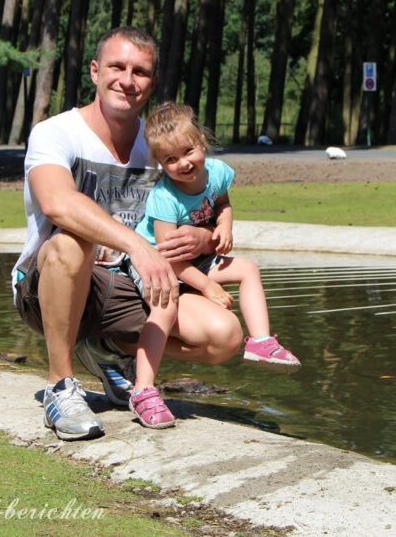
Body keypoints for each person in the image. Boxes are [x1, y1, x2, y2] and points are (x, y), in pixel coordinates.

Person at [11, 26, 243, 441]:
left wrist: (206, 239)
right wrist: (136, 244)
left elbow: (201, 207)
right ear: (95, 71)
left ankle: (107, 350)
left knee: (223, 336)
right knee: (70, 241)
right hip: (49, 282)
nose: (127, 79)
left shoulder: (158, 149)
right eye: (117, 67)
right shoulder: (55, 132)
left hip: (129, 286)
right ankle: (61, 387)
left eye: (140, 71)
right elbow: (57, 203)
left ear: (151, 83)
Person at [124, 103, 300, 429]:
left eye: (188, 151)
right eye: (170, 160)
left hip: (195, 260)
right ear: (160, 163)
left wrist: (226, 226)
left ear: (201, 143)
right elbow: (168, 258)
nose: (183, 163)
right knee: (166, 304)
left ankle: (261, 341)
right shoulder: (164, 198)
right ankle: (144, 388)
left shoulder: (217, 172)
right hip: (156, 263)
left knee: (248, 268)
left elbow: (223, 203)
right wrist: (207, 286)